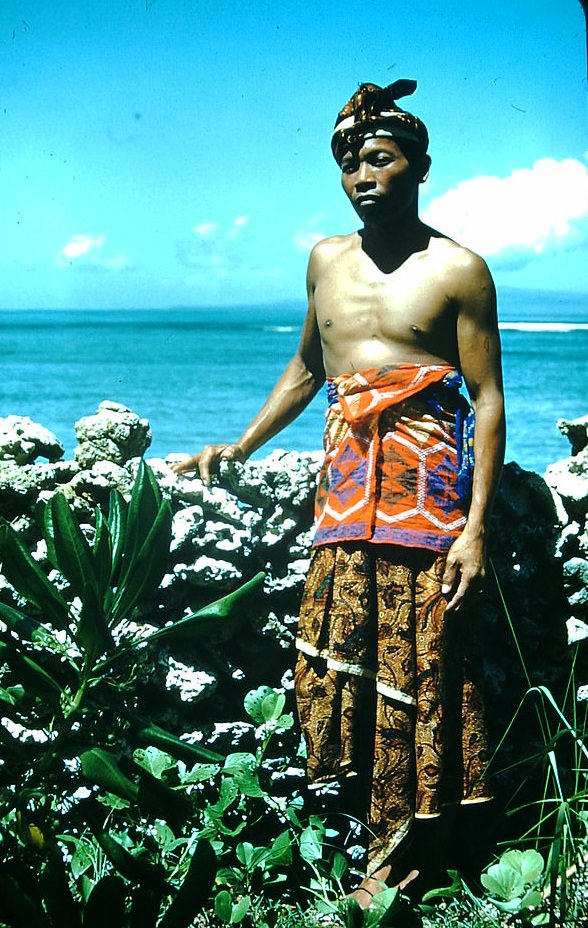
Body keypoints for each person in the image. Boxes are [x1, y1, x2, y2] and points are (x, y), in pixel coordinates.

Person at [171, 79, 505, 905]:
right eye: (350, 162)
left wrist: (476, 531)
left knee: (425, 671)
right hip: (343, 505)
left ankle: (411, 860)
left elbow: (489, 399)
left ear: (419, 168)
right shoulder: (324, 260)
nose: (362, 175)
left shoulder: (460, 269)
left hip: (427, 509)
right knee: (349, 669)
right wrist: (237, 445)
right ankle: (367, 840)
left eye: (381, 160)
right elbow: (308, 369)